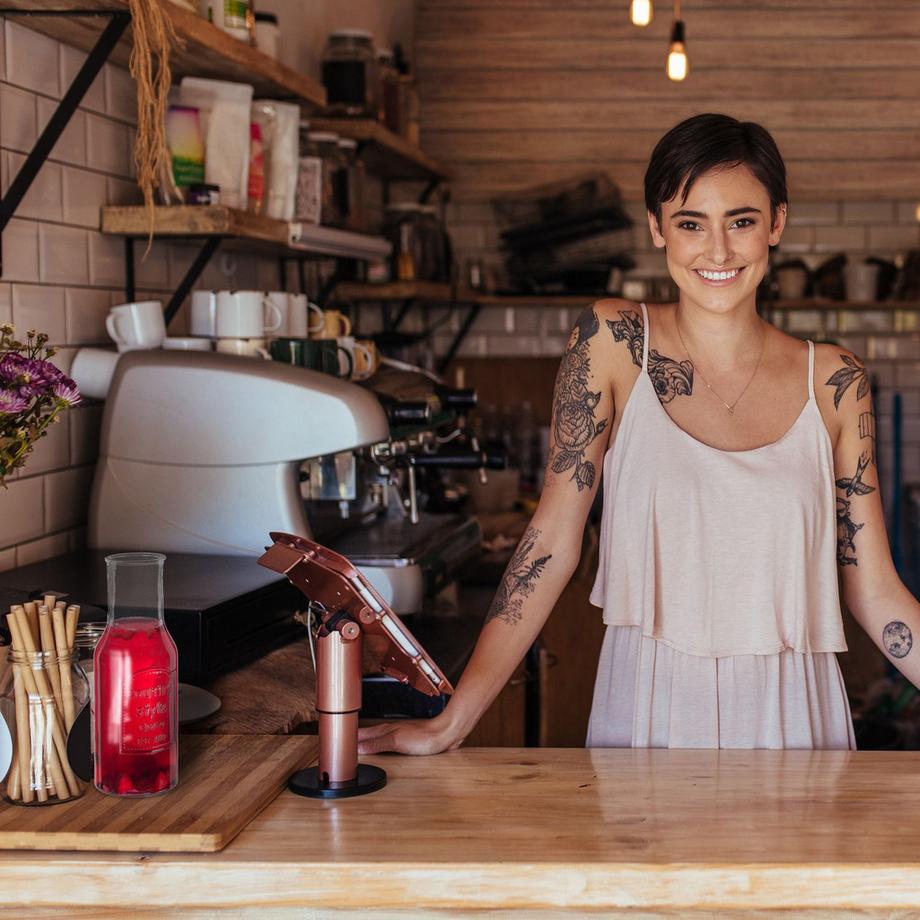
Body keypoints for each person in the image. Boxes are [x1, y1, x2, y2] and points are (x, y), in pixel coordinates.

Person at [358, 112, 920, 754]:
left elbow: (874, 590)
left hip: (794, 720)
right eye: (690, 223)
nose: (718, 251)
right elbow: (551, 542)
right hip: (650, 709)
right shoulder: (612, 341)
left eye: (741, 221)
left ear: (776, 223)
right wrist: (452, 721)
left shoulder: (836, 381)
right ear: (657, 228)